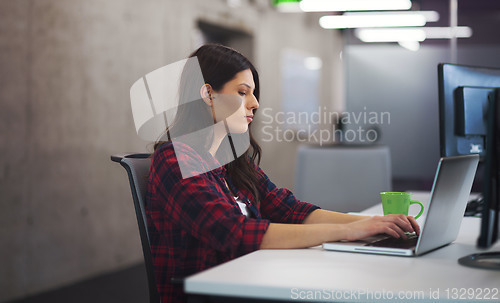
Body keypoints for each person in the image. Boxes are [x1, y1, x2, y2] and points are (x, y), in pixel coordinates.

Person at [146, 43, 420, 303]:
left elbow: (289, 209)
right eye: (242, 92)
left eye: (253, 93)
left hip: (252, 280)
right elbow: (234, 232)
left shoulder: (232, 160)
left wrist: (368, 223)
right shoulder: (175, 159)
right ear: (208, 95)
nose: (254, 103)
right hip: (212, 293)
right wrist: (348, 231)